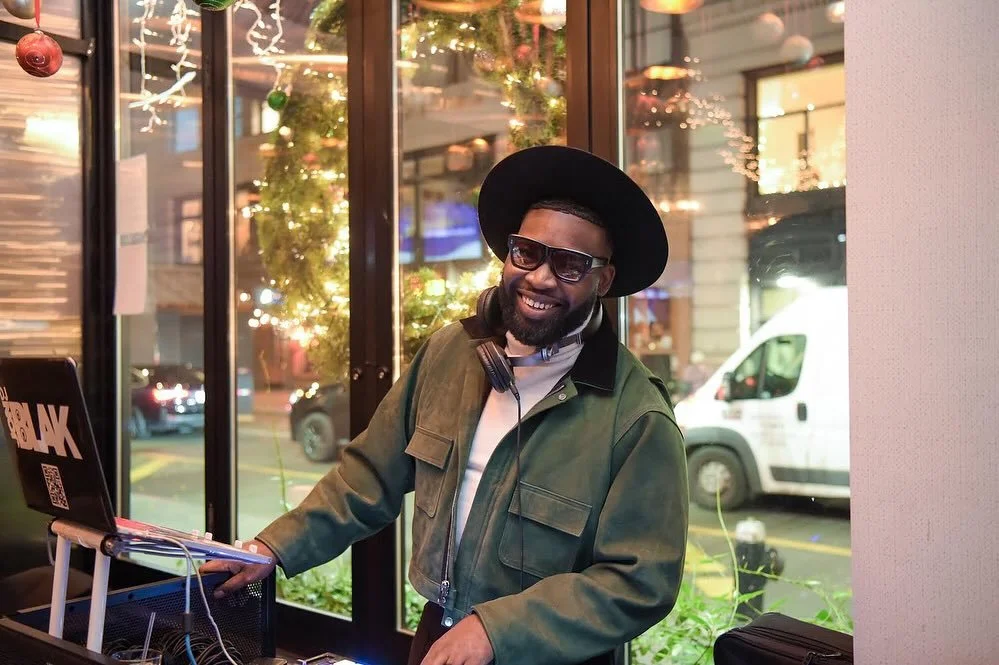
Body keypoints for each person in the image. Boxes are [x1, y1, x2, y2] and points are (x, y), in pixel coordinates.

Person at [202, 145, 689, 665]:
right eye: (527, 253)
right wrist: (271, 548)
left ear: (604, 280)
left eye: (570, 265)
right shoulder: (448, 355)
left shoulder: (636, 417)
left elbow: (639, 581)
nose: (541, 278)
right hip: (438, 637)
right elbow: (366, 479)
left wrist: (494, 631)